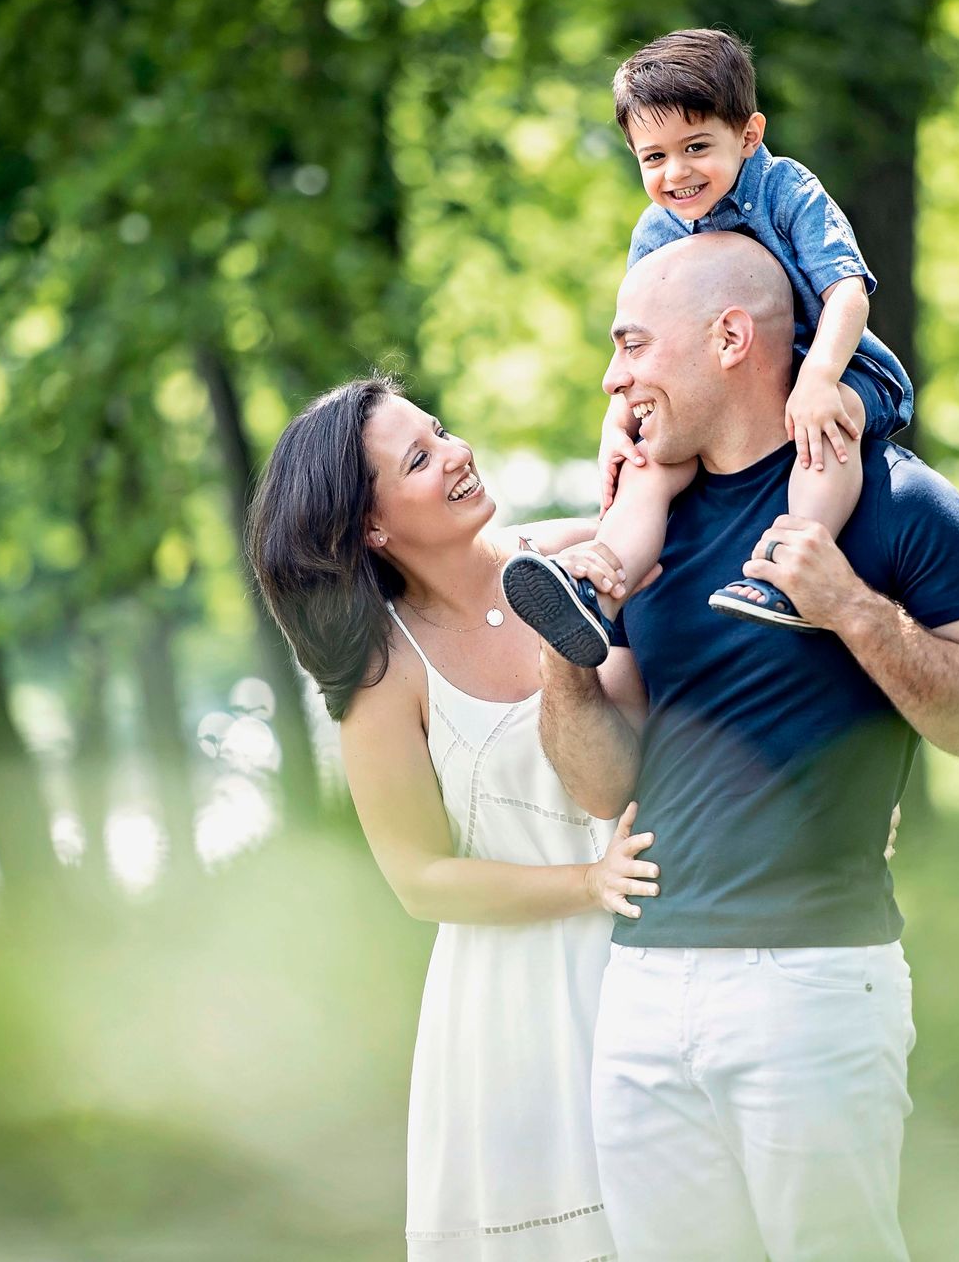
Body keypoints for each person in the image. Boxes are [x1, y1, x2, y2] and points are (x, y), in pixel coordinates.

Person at [536, 233, 959, 1261]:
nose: (613, 377)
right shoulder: (648, 525)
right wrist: (568, 648)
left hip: (811, 983)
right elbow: (604, 785)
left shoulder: (900, 506)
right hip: (641, 986)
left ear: (728, 337)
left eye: (633, 344)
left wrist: (851, 609)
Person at [247, 376, 659, 1262]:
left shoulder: (574, 554)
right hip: (521, 1008)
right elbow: (418, 879)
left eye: (440, 430)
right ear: (371, 526)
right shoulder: (383, 674)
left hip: (663, 954)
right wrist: (586, 882)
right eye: (421, 458)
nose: (458, 452)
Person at [502, 27, 916, 664]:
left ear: (748, 135)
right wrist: (618, 425)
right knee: (651, 464)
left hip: (834, 361)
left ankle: (794, 563)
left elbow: (848, 294)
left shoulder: (787, 191)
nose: (676, 173)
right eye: (653, 158)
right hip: (723, 392)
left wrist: (817, 382)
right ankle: (599, 587)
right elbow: (641, 341)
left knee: (826, 427)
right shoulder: (655, 229)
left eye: (697, 147)